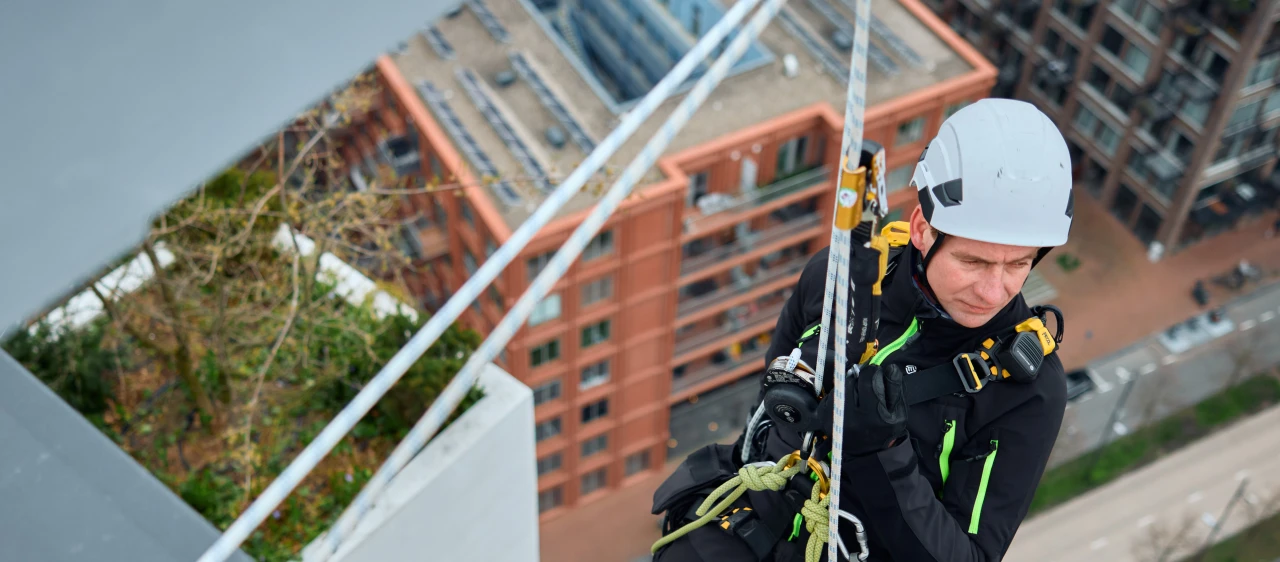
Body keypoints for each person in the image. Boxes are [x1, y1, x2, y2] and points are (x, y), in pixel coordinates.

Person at [651, 98, 1074, 561]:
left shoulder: (1025, 390)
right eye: (972, 261)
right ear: (921, 229)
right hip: (745, 530)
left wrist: (886, 452)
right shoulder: (836, 281)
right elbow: (770, 402)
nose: (994, 292)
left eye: (1018, 265)